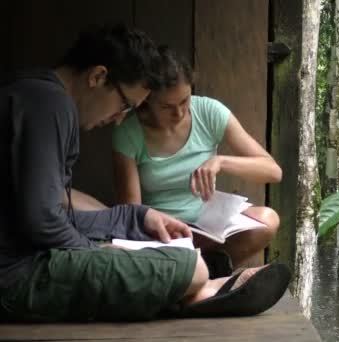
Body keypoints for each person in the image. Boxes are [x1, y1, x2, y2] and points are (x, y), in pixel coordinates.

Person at [0, 25, 289, 322]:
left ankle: (197, 290)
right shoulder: (49, 103)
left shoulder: (39, 95)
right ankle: (201, 293)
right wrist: (99, 252)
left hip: (24, 257)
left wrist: (134, 218)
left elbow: (51, 205)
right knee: (193, 268)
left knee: (177, 260)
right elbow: (43, 221)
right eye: (125, 105)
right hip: (16, 272)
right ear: (98, 77)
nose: (118, 118)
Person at [111, 46, 282, 269]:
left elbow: (273, 171)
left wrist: (221, 161)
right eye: (166, 107)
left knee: (267, 220)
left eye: (184, 101)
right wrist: (162, 229)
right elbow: (131, 210)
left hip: (208, 225)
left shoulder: (209, 112)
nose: (179, 113)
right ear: (146, 100)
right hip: (160, 232)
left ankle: (210, 273)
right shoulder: (128, 131)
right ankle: (196, 277)